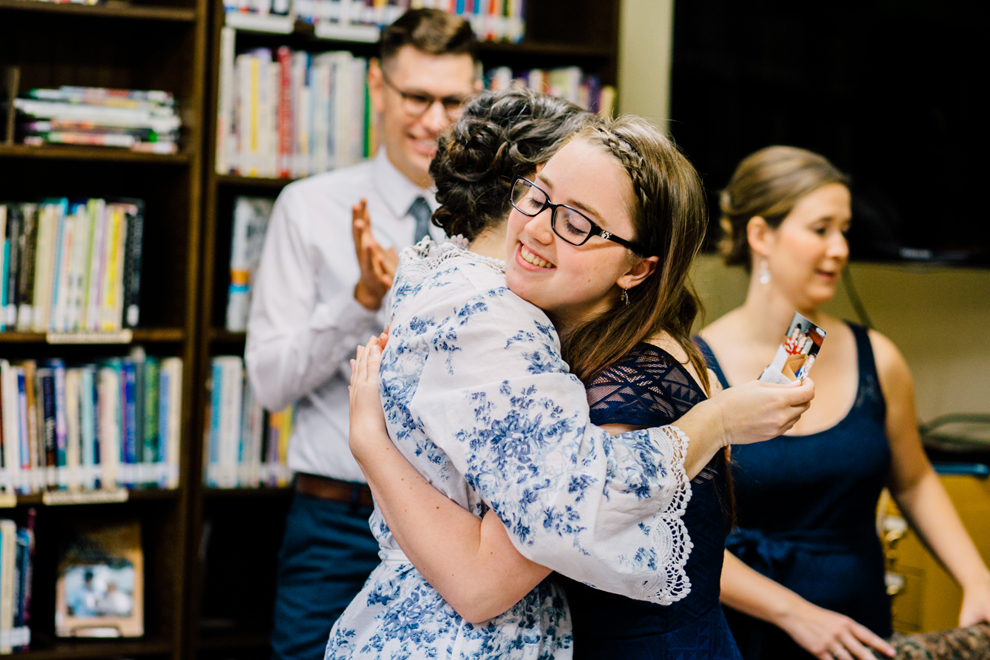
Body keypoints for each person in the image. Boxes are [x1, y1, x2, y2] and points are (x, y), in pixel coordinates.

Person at [327, 106, 814, 659]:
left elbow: (485, 579)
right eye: (537, 196)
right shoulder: (547, 339)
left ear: (637, 270)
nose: (536, 229)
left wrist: (371, 447)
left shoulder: (619, 383)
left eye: (577, 223)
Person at [244, 9, 478, 660]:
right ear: (378, 88)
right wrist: (360, 302)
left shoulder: (501, 225)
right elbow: (268, 383)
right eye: (416, 97)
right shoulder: (309, 208)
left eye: (453, 101)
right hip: (337, 523)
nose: (433, 121)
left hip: (460, 526)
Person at [695, 146, 990, 660]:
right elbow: (674, 538)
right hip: (742, 635)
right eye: (820, 229)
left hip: (860, 631)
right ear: (761, 235)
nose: (839, 249)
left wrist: (977, 577)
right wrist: (798, 614)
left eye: (844, 230)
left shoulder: (880, 358)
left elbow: (916, 480)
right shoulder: (696, 368)